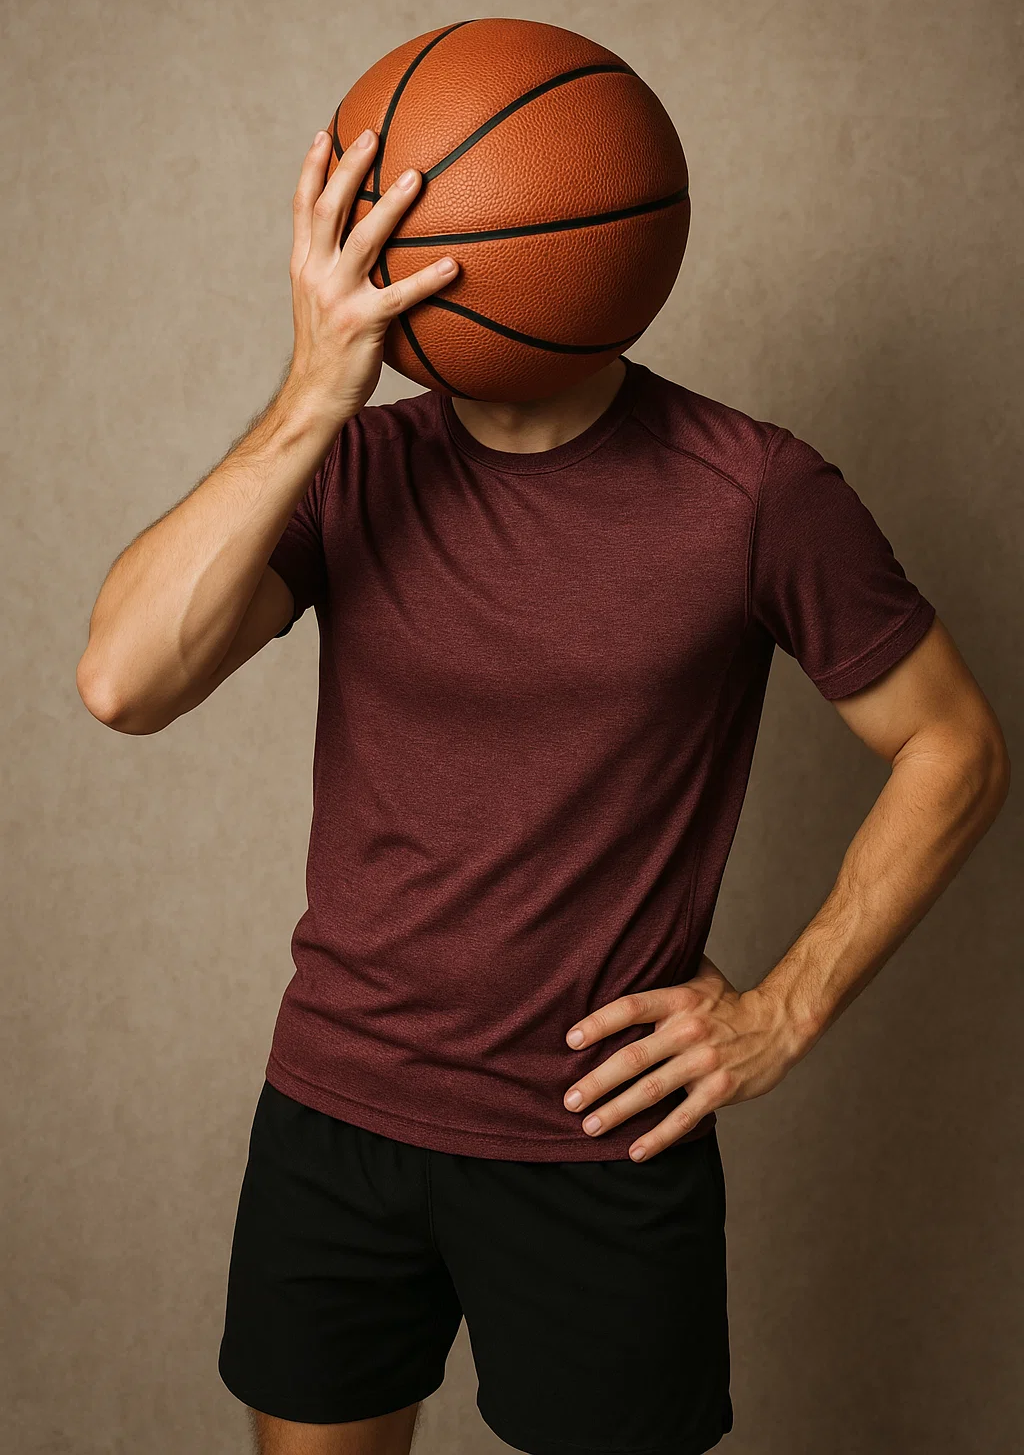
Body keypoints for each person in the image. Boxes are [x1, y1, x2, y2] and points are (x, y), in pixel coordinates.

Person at [76, 125, 1009, 1455]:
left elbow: (955, 747)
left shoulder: (754, 492)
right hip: (336, 1117)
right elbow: (122, 682)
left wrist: (788, 1008)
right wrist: (310, 394)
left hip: (595, 1148)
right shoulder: (348, 466)